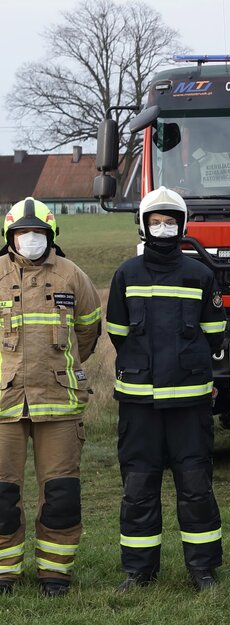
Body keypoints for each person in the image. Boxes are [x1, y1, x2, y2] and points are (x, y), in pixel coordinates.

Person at [107, 188, 225, 593]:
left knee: (196, 486)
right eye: (155, 221)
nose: (163, 227)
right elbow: (118, 334)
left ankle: (204, 570)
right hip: (139, 403)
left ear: (182, 225)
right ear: (143, 224)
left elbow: (214, 334)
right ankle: (138, 572)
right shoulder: (126, 273)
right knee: (138, 487)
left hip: (189, 403)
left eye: (170, 220)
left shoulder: (201, 275)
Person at [0, 198, 101, 597]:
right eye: (23, 233)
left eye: (38, 233)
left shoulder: (72, 276)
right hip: (3, 407)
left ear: (51, 235)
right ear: (11, 236)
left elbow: (89, 332)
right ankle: (5, 573)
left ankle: (54, 574)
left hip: (59, 404)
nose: (30, 239)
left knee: (61, 495)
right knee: (2, 494)